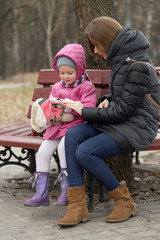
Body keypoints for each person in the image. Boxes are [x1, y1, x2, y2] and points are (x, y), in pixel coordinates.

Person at [57, 17, 160, 226]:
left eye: (96, 45)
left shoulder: (137, 65)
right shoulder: (123, 59)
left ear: (107, 40)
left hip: (137, 127)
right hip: (122, 121)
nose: (95, 51)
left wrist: (84, 110)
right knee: (73, 134)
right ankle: (77, 207)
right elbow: (125, 97)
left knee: (84, 152)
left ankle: (124, 202)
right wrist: (105, 100)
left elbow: (123, 111)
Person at [24, 43, 97, 207]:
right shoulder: (57, 87)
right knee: (43, 151)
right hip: (56, 126)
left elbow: (89, 108)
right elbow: (50, 106)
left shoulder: (86, 87)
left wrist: (72, 110)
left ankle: (67, 191)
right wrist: (56, 111)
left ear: (79, 69)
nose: (65, 76)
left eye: (69, 73)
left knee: (64, 148)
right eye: (62, 73)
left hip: (75, 127)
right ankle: (41, 193)